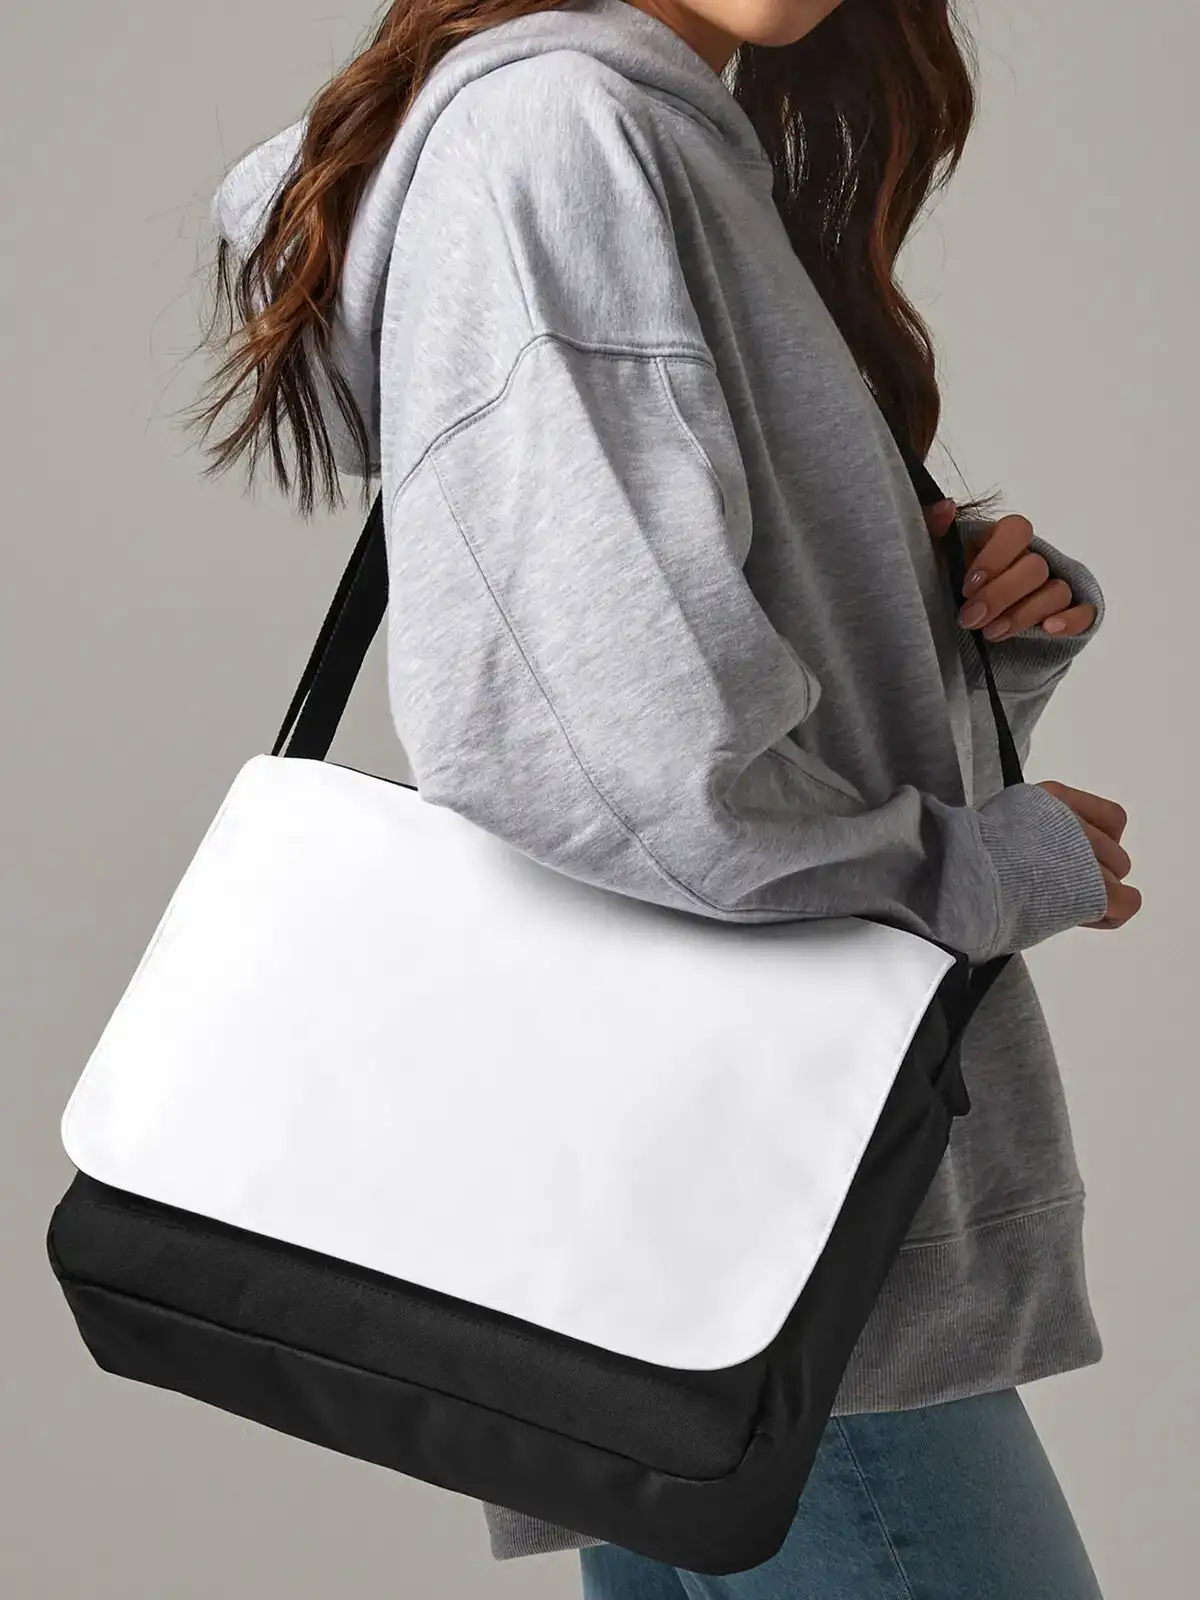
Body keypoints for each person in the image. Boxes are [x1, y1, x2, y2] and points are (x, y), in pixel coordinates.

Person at [197, 0, 1141, 1593]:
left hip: (694, 1195)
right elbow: (616, 766)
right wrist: (983, 869)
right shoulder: (560, 137)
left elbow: (646, 701)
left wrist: (962, 634)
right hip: (760, 1209)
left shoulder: (665, 146)